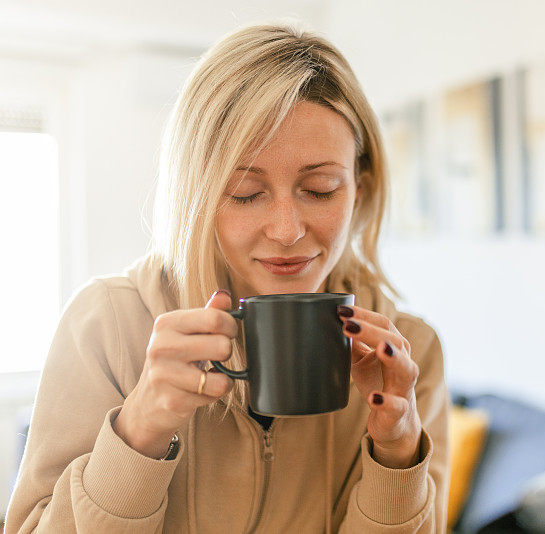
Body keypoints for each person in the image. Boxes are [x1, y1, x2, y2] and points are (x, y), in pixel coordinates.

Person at [5, 22, 450, 533]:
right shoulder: (104, 326)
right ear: (196, 194)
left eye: (321, 189)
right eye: (244, 192)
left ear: (361, 190)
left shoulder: (411, 355)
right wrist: (139, 432)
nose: (286, 231)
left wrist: (396, 458)